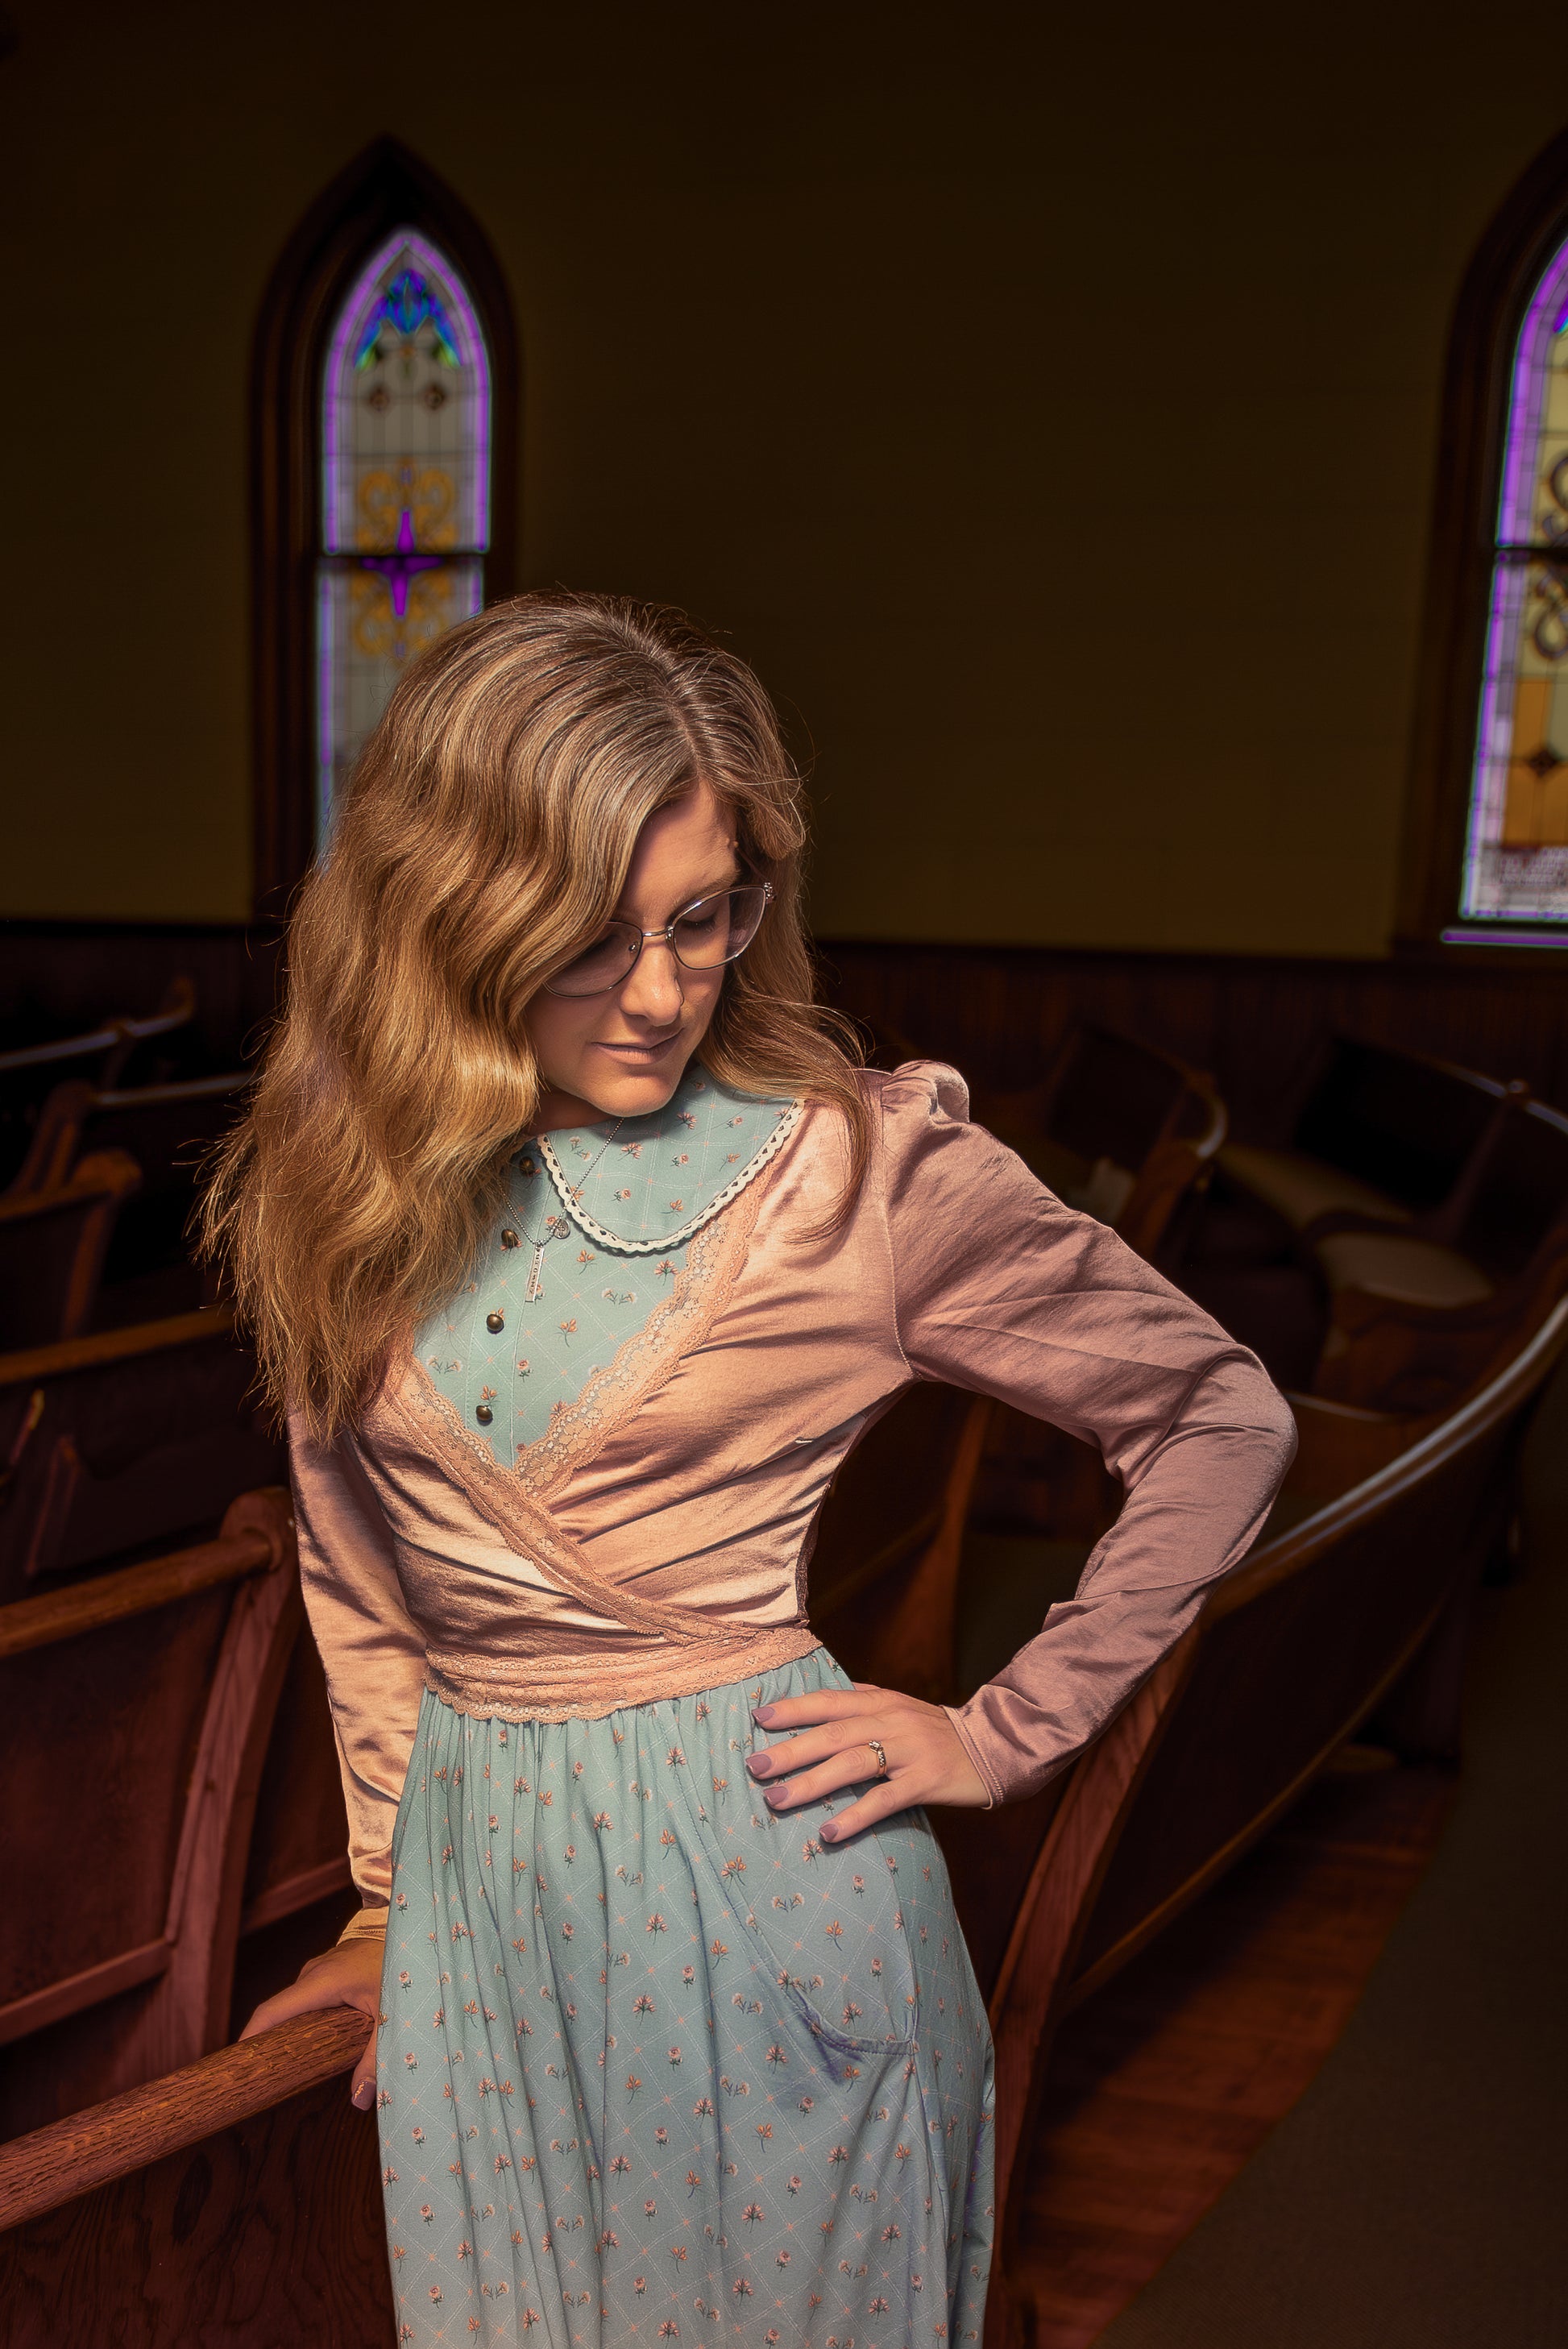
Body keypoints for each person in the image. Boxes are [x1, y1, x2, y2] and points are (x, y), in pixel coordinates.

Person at [211, 592, 1295, 2348]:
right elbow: (361, 1575)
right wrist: (385, 1905)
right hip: (489, 1939)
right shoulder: (352, 1176)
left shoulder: (856, 1175)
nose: (659, 991)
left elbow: (1219, 1416)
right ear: (449, 912)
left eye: (704, 919)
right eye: (590, 934)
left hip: (772, 1918)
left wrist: (999, 1731)